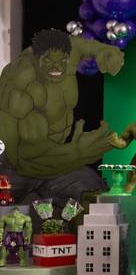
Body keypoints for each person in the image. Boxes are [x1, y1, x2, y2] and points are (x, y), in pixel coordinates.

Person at [0, 29, 124, 207]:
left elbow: (78, 44)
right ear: (36, 59)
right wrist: (77, 152)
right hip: (15, 168)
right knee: (5, 214)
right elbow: (26, 158)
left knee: (96, 199)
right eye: (48, 61)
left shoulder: (62, 52)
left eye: (62, 61)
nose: (56, 67)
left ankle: (67, 223)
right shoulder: (22, 85)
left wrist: (104, 51)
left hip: (55, 161)